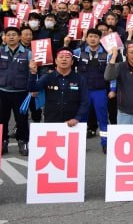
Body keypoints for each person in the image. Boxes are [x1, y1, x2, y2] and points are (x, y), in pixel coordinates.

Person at [72, 28, 115, 152]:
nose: (92, 39)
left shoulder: (108, 53)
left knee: (102, 118)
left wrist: (113, 89)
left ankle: (105, 143)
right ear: (86, 38)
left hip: (100, 91)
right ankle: (79, 144)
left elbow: (112, 73)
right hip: (82, 92)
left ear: (100, 39)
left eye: (95, 37)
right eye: (90, 36)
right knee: (81, 118)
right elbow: (65, 63)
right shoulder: (78, 52)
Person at [28, 48, 89, 128]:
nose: (64, 59)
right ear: (56, 61)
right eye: (61, 57)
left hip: (73, 123)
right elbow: (33, 88)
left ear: (72, 62)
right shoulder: (48, 77)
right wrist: (33, 72)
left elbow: (85, 101)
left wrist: (77, 118)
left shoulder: (80, 79)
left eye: (67, 57)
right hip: (51, 120)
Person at [0, 27, 31, 156]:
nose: (11, 37)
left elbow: (33, 73)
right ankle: (3, 142)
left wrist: (32, 88)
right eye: (8, 35)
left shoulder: (28, 53)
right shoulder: (0, 51)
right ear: (4, 38)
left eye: (14, 35)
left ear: (19, 37)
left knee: (22, 119)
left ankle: (22, 141)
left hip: (21, 92)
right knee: (2, 119)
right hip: (2, 91)